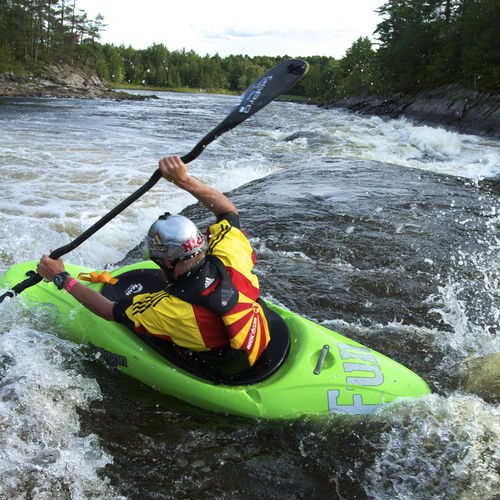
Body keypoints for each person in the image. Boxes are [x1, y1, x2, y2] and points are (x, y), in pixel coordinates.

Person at [37, 155, 271, 375]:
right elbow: (227, 211)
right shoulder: (229, 255)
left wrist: (62, 278)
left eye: (157, 262)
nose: (158, 267)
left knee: (145, 329)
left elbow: (108, 311)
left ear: (168, 261)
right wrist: (184, 180)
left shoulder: (168, 309)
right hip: (255, 336)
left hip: (223, 363)